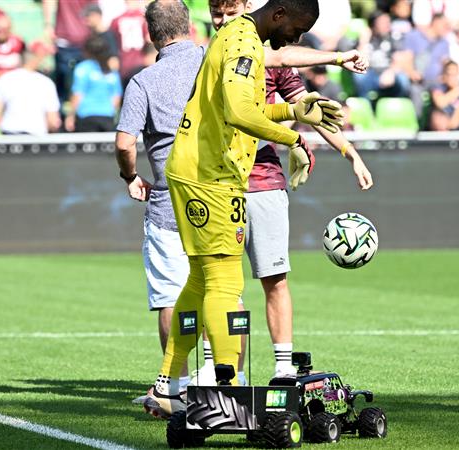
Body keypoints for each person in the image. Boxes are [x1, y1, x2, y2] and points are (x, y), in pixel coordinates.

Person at [146, 0, 340, 416]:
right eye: (298, 28)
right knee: (224, 283)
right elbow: (237, 113)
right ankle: (227, 392)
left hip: (198, 169)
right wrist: (294, 140)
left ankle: (167, 384)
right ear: (280, 14)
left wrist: (293, 110)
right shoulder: (243, 45)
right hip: (209, 175)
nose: (297, 38)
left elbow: (242, 107)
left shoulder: (238, 35)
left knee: (201, 280)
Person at [200, 0, 373, 383]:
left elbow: (307, 105)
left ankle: (282, 368)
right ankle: (224, 372)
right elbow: (275, 59)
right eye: (216, 14)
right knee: (223, 284)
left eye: (230, 13)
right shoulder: (213, 52)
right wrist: (336, 57)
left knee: (274, 277)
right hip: (216, 180)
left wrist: (350, 153)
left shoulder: (262, 49)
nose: (223, 20)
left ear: (247, 8)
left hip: (262, 179)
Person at [0, 43, 61, 135]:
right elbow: (53, 121)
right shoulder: (46, 83)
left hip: (9, 137)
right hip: (36, 139)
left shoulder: (4, 79)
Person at [66, 34, 122, 132]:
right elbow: (116, 97)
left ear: (87, 51)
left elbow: (78, 94)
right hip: (107, 116)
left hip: (86, 116)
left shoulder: (83, 68)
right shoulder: (111, 71)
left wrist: (70, 116)